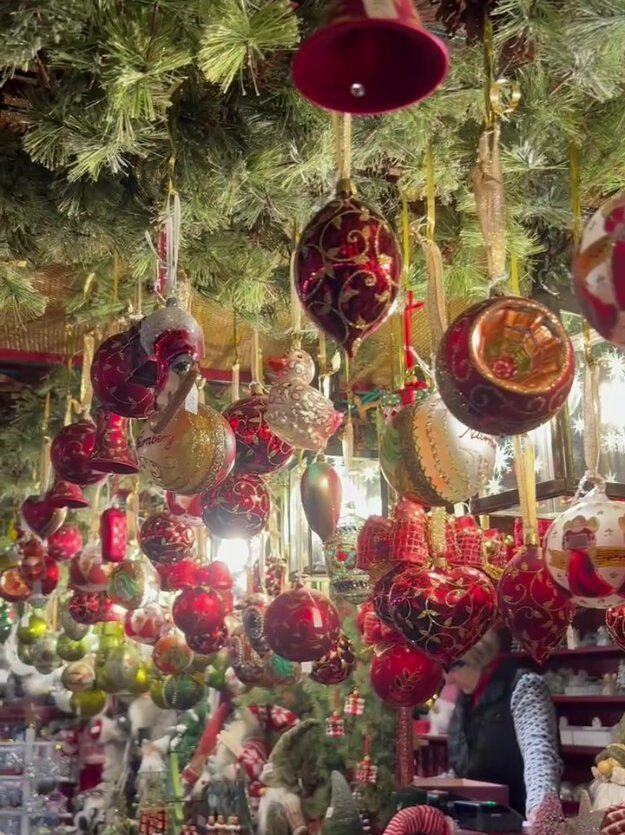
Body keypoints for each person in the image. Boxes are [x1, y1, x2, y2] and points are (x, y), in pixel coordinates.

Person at [445, 629, 562, 822]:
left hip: (515, 821)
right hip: (473, 821)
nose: (447, 680)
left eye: (450, 668)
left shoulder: (523, 685)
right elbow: (463, 766)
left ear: (471, 659)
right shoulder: (465, 698)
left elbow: (540, 755)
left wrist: (539, 812)